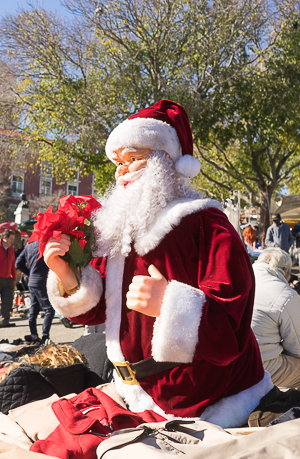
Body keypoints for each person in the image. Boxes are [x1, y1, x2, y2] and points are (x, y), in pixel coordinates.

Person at [44, 100, 271, 427]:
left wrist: (169, 304)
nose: (121, 171)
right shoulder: (124, 231)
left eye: (133, 158)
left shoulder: (206, 222)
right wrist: (66, 275)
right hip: (137, 395)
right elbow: (99, 312)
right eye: (118, 162)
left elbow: (231, 329)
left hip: (209, 402)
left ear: (168, 161)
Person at [251, 248, 300, 393]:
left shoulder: (239, 278)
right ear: (285, 270)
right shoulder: (284, 294)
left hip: (225, 363)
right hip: (256, 365)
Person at [16, 240, 55, 344]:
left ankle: (34, 334)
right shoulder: (47, 245)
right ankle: (45, 337)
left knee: (34, 309)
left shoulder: (28, 247)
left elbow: (18, 263)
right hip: (42, 281)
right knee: (49, 310)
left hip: (32, 282)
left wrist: (29, 273)